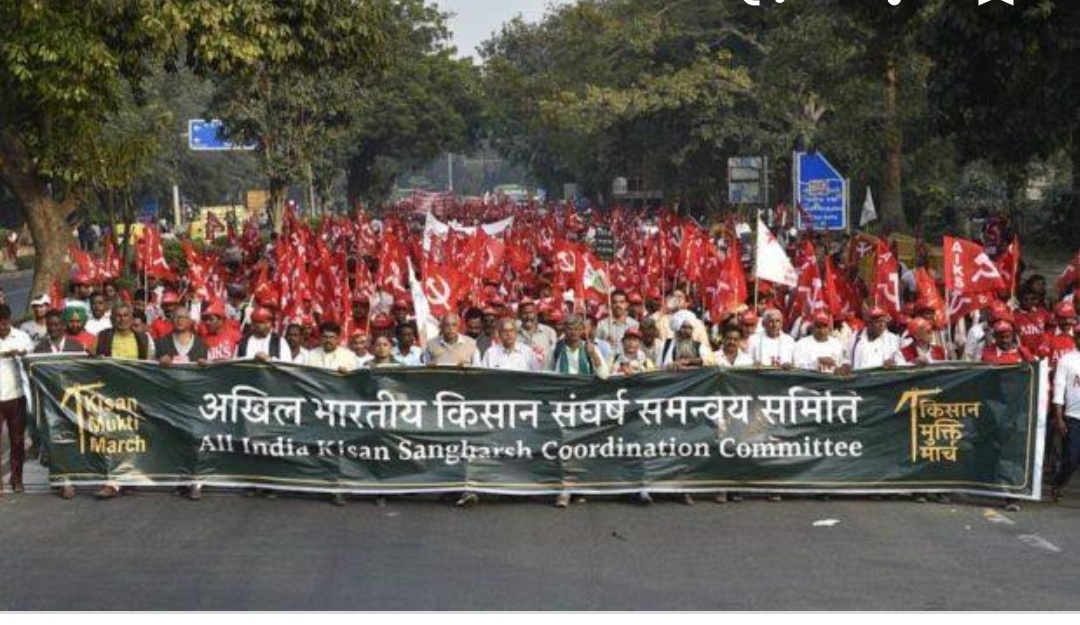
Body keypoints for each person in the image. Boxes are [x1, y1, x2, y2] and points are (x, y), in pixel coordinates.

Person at [0, 303, 34, 497]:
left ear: (10, 321)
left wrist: (22, 356)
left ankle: (17, 478)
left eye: (5, 323)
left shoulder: (22, 337)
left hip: (17, 397)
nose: (3, 328)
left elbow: (33, 362)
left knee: (17, 441)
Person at [1051, 333, 1080, 502]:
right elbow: (1059, 389)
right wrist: (1059, 417)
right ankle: (1058, 483)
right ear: (1076, 338)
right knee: (1071, 459)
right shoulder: (1067, 360)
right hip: (1073, 417)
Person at [516, 299, 557, 368]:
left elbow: (555, 355)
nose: (528, 316)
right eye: (524, 313)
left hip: (544, 376)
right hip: (521, 376)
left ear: (535, 314)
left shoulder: (549, 332)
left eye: (531, 313)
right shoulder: (514, 334)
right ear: (519, 315)